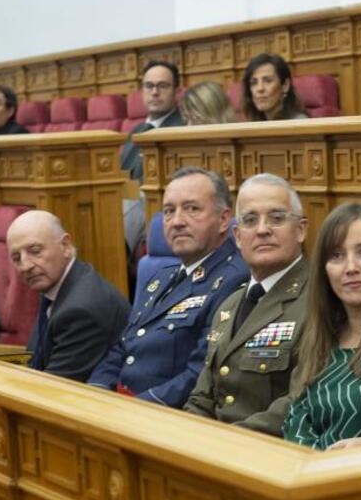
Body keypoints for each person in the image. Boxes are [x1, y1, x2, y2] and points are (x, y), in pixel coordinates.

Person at [242, 203, 361, 448]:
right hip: (307, 475)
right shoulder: (320, 339)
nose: (351, 268)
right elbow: (295, 419)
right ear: (324, 270)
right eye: (337, 256)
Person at [88, 167, 248, 406]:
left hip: (164, 416)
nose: (177, 222)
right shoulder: (160, 278)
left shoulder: (234, 279)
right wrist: (96, 392)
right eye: (169, 211)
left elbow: (201, 374)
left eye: (192, 209)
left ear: (224, 219)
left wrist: (130, 410)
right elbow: (122, 348)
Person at [185, 174, 309, 431]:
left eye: (276, 218)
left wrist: (228, 441)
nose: (263, 229)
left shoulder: (321, 300)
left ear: (301, 230)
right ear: (238, 236)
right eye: (251, 220)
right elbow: (203, 397)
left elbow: (304, 400)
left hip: (272, 451)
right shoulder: (229, 305)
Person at [7, 210, 129, 381]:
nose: (25, 265)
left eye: (35, 251)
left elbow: (53, 390)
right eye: (16, 257)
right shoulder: (58, 282)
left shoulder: (81, 310)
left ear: (65, 246)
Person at [121, 61, 186, 182]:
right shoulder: (135, 131)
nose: (155, 92)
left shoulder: (182, 130)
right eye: (149, 86)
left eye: (163, 86)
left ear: (177, 92)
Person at [241, 54, 307, 121]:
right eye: (254, 83)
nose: (260, 88)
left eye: (268, 81)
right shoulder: (252, 124)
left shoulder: (299, 122)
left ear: (285, 85)